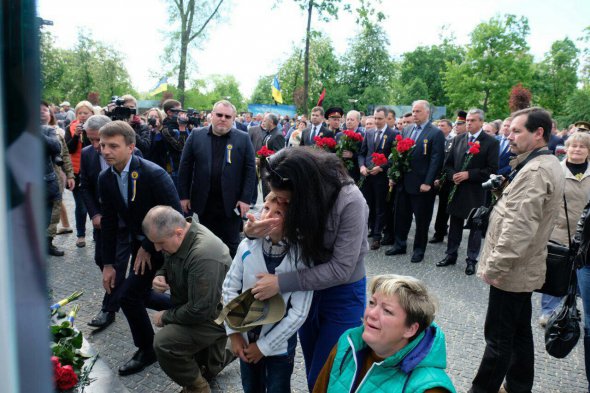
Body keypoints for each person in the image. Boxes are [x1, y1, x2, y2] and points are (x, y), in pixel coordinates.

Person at [246, 147, 369, 391]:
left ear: (305, 189)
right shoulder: (292, 191)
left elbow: (341, 269)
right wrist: (251, 233)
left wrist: (281, 283)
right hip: (306, 291)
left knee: (326, 376)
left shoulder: (350, 200)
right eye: (276, 197)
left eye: (285, 200)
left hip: (342, 294)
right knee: (314, 365)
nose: (280, 203)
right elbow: (271, 229)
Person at [470, 107, 565, 393]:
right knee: (520, 331)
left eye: (517, 131)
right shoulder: (542, 163)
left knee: (498, 338)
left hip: (511, 271)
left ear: (539, 134)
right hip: (523, 268)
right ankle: (518, 386)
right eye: (509, 130)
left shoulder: (536, 170)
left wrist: (494, 267)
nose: (509, 136)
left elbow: (519, 228)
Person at [97, 120, 182, 376]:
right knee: (139, 293)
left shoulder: (153, 173)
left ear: (131, 147)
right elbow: (109, 223)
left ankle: (147, 349)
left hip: (166, 244)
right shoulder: (105, 178)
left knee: (127, 296)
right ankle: (185, 310)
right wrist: (108, 264)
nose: (106, 151)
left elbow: (176, 214)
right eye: (102, 145)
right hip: (139, 244)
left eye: (113, 146)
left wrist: (148, 245)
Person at [222, 192, 313, 393]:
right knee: (251, 387)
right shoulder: (247, 246)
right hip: (246, 339)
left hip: (279, 347)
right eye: (266, 208)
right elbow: (229, 288)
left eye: (278, 212)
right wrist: (234, 333)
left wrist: (264, 347)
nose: (267, 215)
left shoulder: (300, 258)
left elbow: (299, 312)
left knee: (278, 388)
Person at [312, 274, 455, 393]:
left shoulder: (429, 388)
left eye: (387, 311)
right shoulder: (347, 346)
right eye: (372, 303)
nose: (371, 314)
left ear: (410, 329)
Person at [145, 206, 233, 393]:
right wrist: (161, 275)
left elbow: (199, 311)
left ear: (178, 233)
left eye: (160, 243)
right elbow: (170, 259)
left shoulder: (204, 255)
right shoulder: (180, 233)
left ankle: (198, 388)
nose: (157, 248)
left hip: (215, 316)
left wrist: (166, 317)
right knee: (210, 368)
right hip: (199, 307)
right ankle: (224, 353)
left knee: (164, 343)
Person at [80, 115, 139, 329]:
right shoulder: (87, 155)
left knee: (116, 264)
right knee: (101, 259)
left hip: (124, 222)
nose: (98, 147)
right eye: (92, 140)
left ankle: (109, 309)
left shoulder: (132, 154)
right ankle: (118, 293)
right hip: (102, 222)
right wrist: (95, 214)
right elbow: (84, 186)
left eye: (101, 141)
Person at [178, 100, 256, 257]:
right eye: (219, 115)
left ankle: (233, 278)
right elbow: (185, 167)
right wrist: (184, 196)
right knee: (207, 244)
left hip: (232, 203)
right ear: (211, 116)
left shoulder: (242, 138)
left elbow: (250, 170)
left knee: (232, 244)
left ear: (233, 119)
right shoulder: (196, 135)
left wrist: (245, 199)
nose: (223, 119)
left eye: (227, 116)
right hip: (205, 202)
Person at [436, 109, 498, 275]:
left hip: (475, 191)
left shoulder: (490, 142)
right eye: (467, 120)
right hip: (456, 189)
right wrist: (453, 175)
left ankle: (471, 260)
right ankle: (451, 254)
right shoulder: (458, 139)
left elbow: (491, 169)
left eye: (472, 120)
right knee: (455, 223)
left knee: (475, 226)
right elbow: (447, 164)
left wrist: (469, 174)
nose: (468, 123)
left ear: (481, 122)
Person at [538, 131, 590, 326]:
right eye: (574, 146)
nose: (577, 149)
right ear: (566, 148)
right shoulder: (556, 171)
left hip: (586, 235)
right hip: (558, 231)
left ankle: (570, 309)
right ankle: (548, 311)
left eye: (582, 146)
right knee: (555, 272)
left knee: (579, 275)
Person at [386, 100, 445, 263]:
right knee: (401, 216)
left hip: (422, 186)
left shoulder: (435, 133)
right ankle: (400, 244)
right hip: (404, 182)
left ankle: (419, 250)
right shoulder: (407, 130)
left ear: (427, 112)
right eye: (413, 111)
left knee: (422, 220)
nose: (414, 114)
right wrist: (394, 175)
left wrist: (428, 182)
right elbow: (399, 156)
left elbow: (436, 160)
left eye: (418, 111)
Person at [358, 106, 397, 250]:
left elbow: (394, 158)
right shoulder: (368, 133)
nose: (377, 121)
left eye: (380, 118)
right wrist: (362, 166)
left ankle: (377, 236)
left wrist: (381, 167)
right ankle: (371, 229)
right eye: (375, 118)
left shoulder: (393, 134)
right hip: (367, 175)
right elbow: (362, 153)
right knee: (368, 204)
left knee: (381, 206)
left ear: (387, 118)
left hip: (381, 176)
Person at [64, 100, 95, 248]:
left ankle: (97, 233)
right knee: (81, 206)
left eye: (86, 113)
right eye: (80, 113)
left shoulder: (97, 128)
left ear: (92, 114)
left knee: (97, 204)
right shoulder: (70, 128)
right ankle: (81, 235)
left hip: (94, 172)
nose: (82, 116)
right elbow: (68, 150)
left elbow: (95, 148)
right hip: (77, 173)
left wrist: (88, 134)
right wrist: (76, 135)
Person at [430, 119, 454, 244]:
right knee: (440, 208)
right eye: (438, 125)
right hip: (437, 177)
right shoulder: (435, 138)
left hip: (449, 179)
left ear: (450, 128)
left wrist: (442, 177)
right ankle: (438, 232)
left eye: (443, 126)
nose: (439, 127)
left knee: (445, 208)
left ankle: (443, 230)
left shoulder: (453, 141)